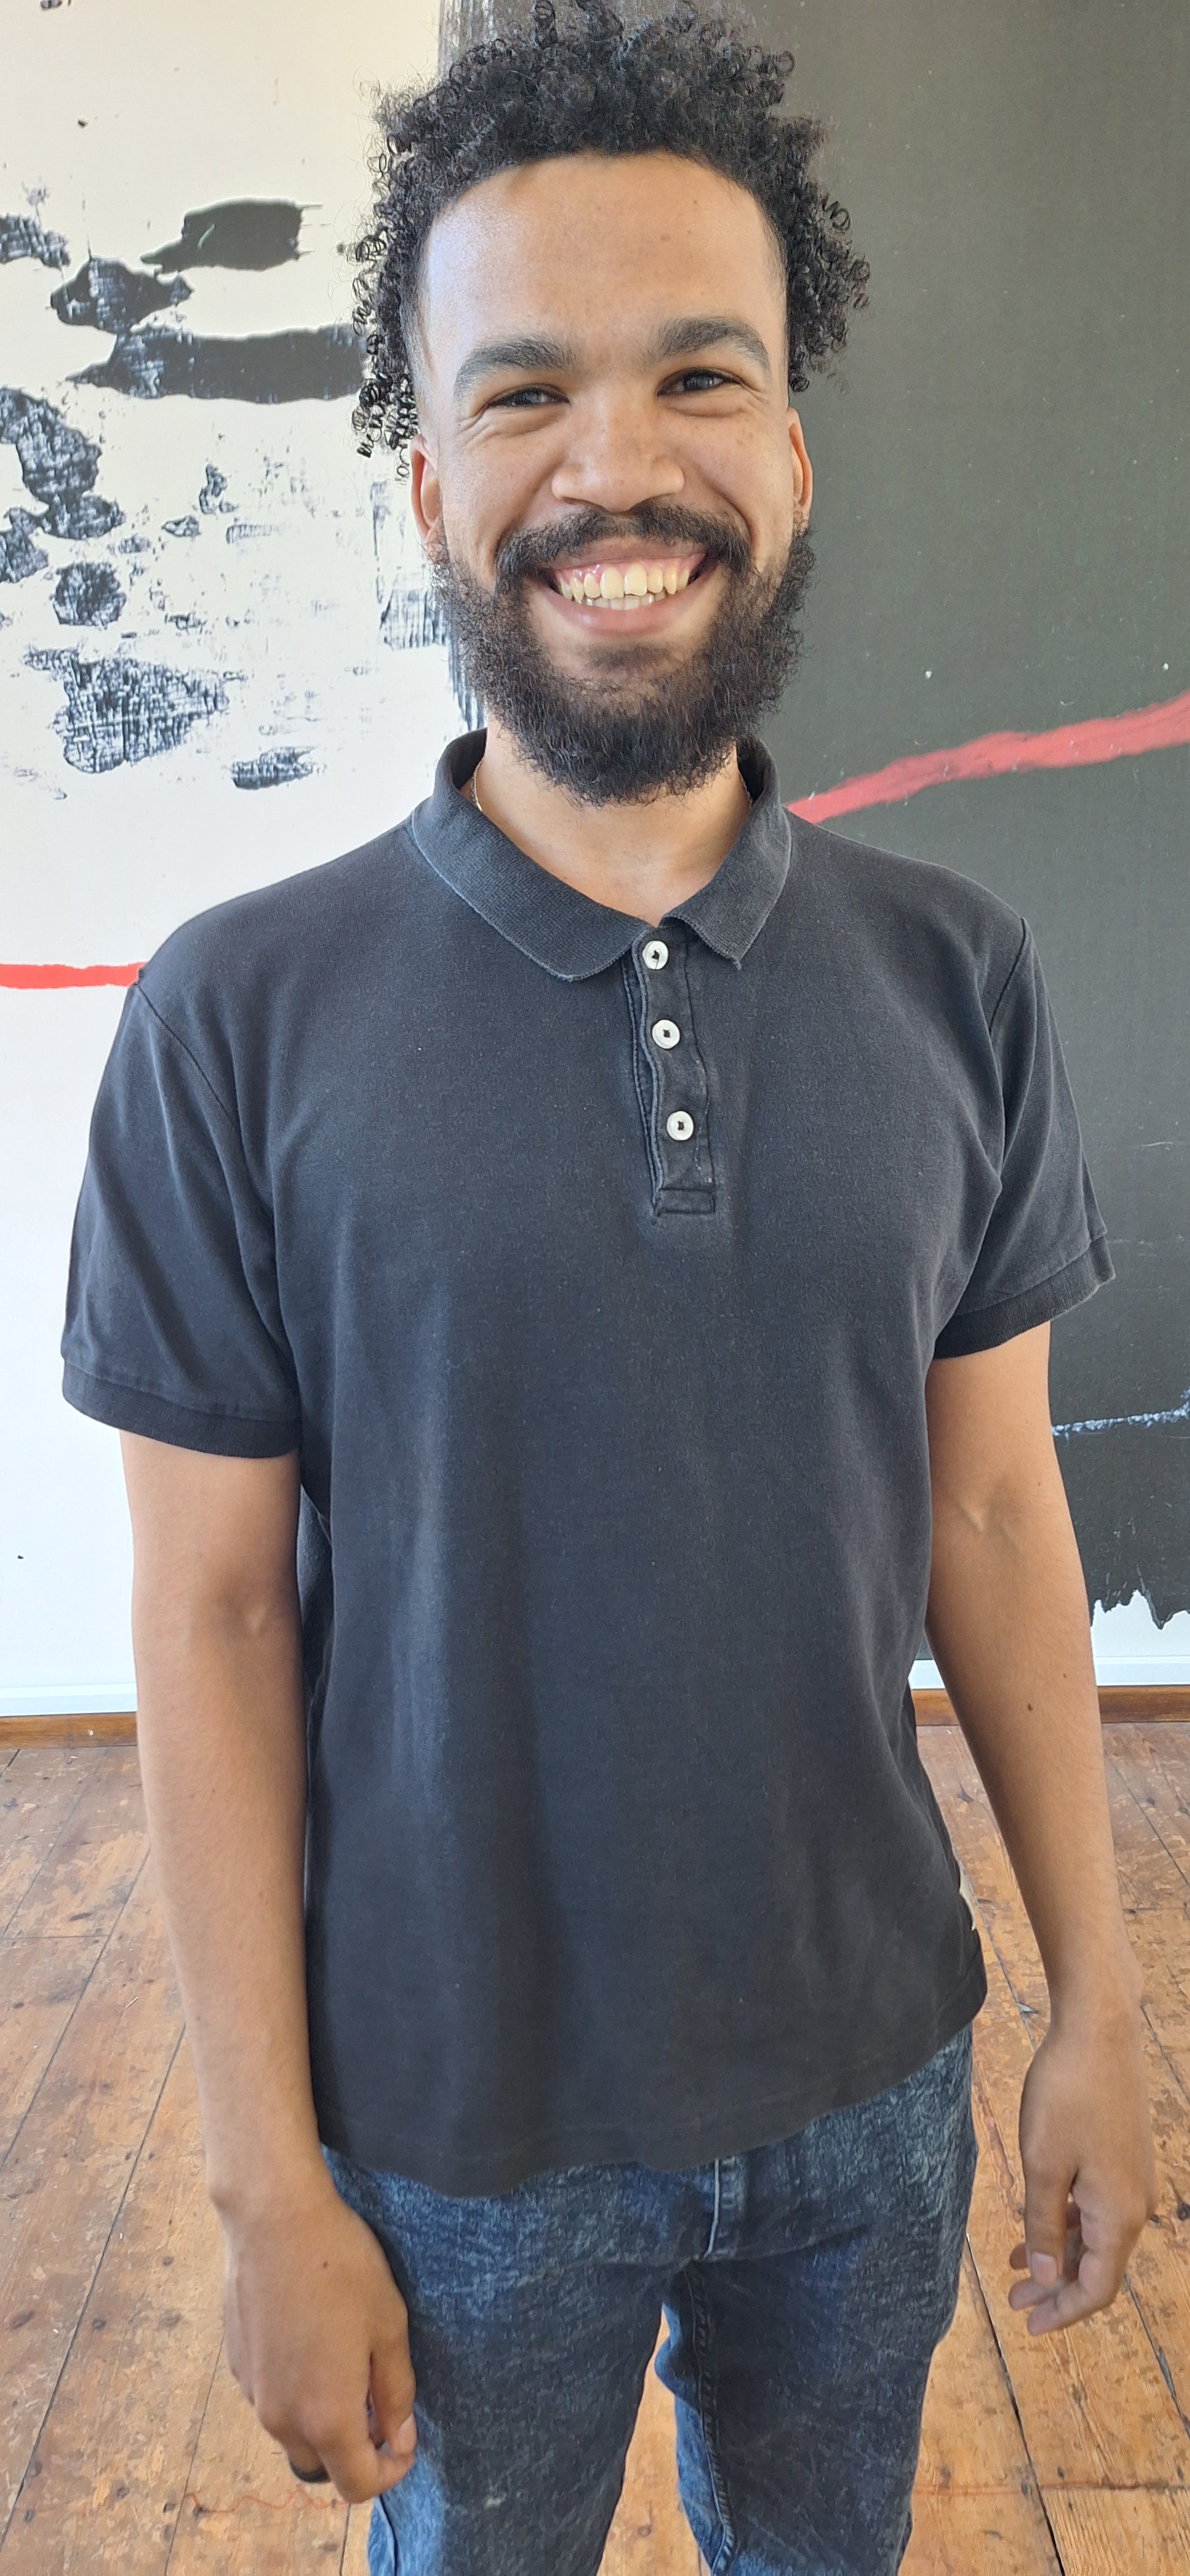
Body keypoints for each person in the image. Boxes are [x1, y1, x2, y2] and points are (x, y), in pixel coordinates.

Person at [61, 7, 1156, 2571]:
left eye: (699, 376)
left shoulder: (959, 975)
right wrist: (261, 2182)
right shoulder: (236, 1015)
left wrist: (1099, 2006)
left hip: (871, 2077)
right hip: (448, 2131)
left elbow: (995, 1516)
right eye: (525, 391)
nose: (616, 466)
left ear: (793, 449)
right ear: (430, 482)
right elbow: (210, 1617)